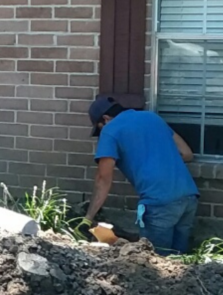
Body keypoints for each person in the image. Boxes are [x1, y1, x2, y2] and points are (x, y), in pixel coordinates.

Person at [83, 94, 198, 255]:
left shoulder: (110, 130)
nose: (101, 133)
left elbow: (103, 179)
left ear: (106, 118)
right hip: (188, 196)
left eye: (100, 127)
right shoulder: (152, 118)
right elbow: (187, 154)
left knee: (155, 261)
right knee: (179, 261)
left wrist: (88, 217)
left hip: (159, 203)